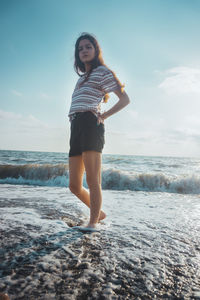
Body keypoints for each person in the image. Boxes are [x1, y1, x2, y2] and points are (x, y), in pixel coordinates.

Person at [68, 32, 130, 232]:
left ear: (96, 50)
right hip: (76, 125)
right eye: (80, 48)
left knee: (93, 180)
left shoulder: (103, 71)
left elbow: (124, 99)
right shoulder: (82, 79)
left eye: (88, 47)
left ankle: (93, 222)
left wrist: (104, 116)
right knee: (74, 186)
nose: (84, 51)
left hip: (90, 124)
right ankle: (99, 213)